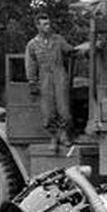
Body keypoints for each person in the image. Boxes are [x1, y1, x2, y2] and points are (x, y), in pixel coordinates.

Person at [25, 13, 87, 149]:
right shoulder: (32, 45)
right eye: (45, 24)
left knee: (64, 109)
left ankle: (64, 134)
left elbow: (71, 51)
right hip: (44, 77)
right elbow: (31, 64)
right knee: (48, 112)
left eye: (49, 23)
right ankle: (54, 136)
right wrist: (32, 82)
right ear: (38, 26)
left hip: (59, 75)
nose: (48, 26)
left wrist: (86, 48)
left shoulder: (58, 40)